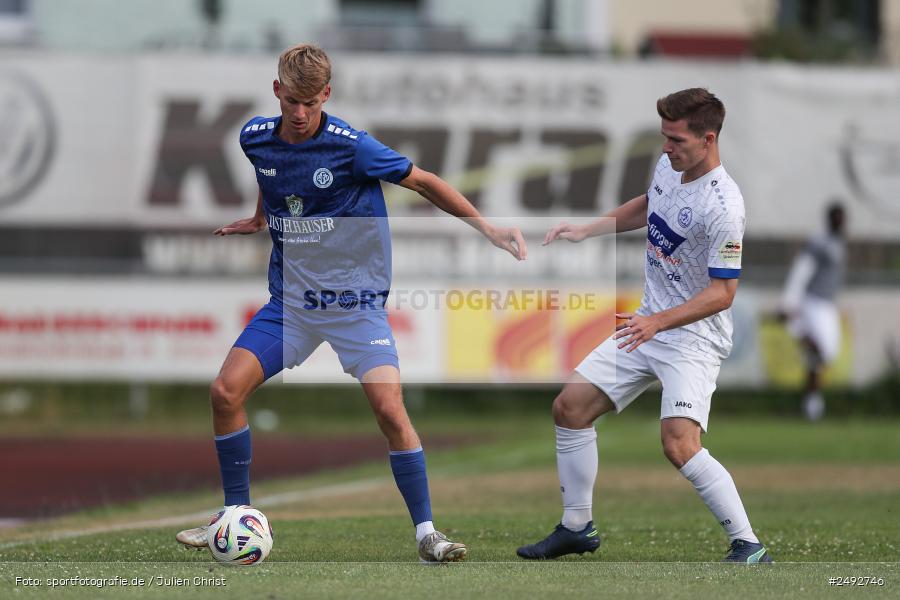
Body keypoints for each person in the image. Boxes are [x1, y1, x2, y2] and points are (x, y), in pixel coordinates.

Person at [175, 43, 526, 564]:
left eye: (310, 103)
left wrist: (488, 228)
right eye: (291, 101)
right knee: (225, 392)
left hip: (356, 304)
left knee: (389, 409)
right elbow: (272, 179)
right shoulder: (254, 137)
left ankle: (428, 533)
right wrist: (259, 217)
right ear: (277, 91)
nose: (299, 114)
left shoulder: (352, 147)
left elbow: (425, 181)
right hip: (292, 304)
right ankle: (234, 517)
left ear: (326, 96)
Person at [516, 88, 771, 563]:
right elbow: (649, 205)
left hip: (691, 337)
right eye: (663, 137)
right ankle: (576, 528)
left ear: (708, 139)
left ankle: (749, 544)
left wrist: (658, 322)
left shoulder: (724, 207)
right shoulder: (669, 168)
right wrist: (589, 227)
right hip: (646, 325)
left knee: (678, 443)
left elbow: (723, 293)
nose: (666, 148)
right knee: (570, 407)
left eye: (675, 140)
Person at [778, 203, 847, 421]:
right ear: (829, 218)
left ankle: (811, 402)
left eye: (842, 217)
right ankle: (813, 405)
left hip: (827, 303)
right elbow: (801, 271)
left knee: (826, 354)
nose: (840, 221)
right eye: (836, 217)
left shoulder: (839, 242)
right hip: (814, 300)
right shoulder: (819, 241)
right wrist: (788, 301)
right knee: (823, 349)